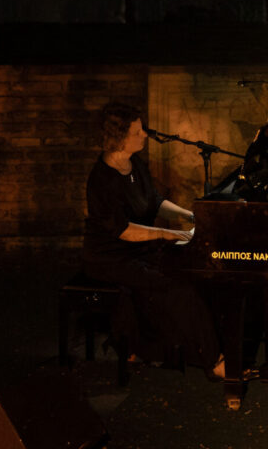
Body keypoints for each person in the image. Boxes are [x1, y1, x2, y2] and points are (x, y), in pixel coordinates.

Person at [81, 102, 227, 385]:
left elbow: (155, 202)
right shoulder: (102, 180)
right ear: (119, 138)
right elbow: (123, 231)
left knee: (193, 271)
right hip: (110, 257)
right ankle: (213, 361)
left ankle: (174, 346)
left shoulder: (134, 164)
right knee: (177, 288)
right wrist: (166, 234)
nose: (145, 135)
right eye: (137, 132)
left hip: (138, 249)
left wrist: (191, 215)